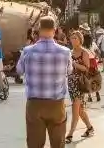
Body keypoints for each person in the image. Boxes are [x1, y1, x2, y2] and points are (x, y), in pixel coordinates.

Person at [17, 17, 71, 148]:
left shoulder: (27, 51)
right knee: (58, 143)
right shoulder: (65, 52)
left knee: (34, 143)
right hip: (56, 105)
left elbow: (19, 70)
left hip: (35, 105)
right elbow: (69, 71)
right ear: (55, 30)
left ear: (38, 30)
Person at [65, 31, 95, 143]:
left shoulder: (84, 53)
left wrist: (75, 64)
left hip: (80, 84)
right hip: (71, 83)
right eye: (72, 38)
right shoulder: (69, 52)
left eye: (75, 38)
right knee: (80, 109)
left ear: (80, 40)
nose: (73, 40)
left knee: (75, 109)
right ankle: (90, 127)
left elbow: (87, 69)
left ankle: (70, 134)